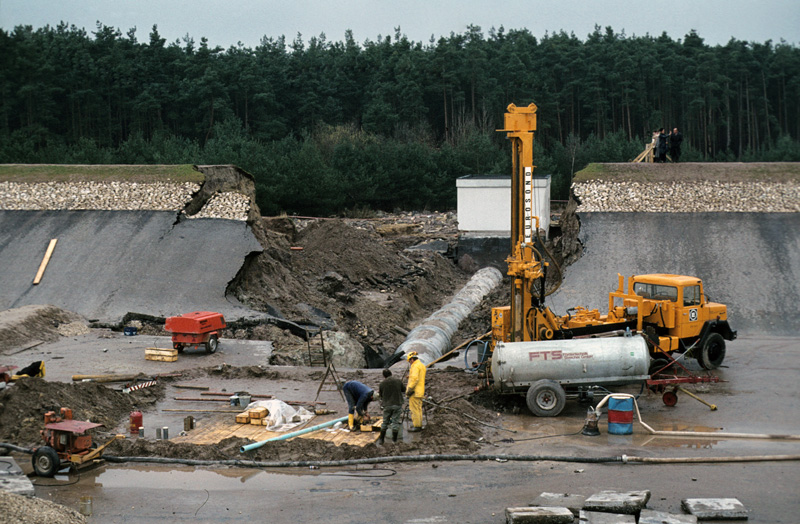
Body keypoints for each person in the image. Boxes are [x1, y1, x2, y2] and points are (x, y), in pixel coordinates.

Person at [377, 368, 404, 444]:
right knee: (395, 422)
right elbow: (404, 390)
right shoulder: (398, 381)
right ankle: (394, 440)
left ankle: (381, 439)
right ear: (391, 374)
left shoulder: (382, 384)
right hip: (397, 404)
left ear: (384, 376)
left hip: (387, 405)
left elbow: (381, 395)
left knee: (385, 422)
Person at [405, 351, 427, 432]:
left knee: (414, 410)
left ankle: (416, 426)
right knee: (419, 409)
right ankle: (419, 425)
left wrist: (409, 389)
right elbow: (418, 377)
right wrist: (410, 376)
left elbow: (415, 379)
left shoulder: (415, 366)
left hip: (414, 392)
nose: (409, 363)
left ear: (411, 360)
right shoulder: (421, 365)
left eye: (409, 361)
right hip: (420, 391)